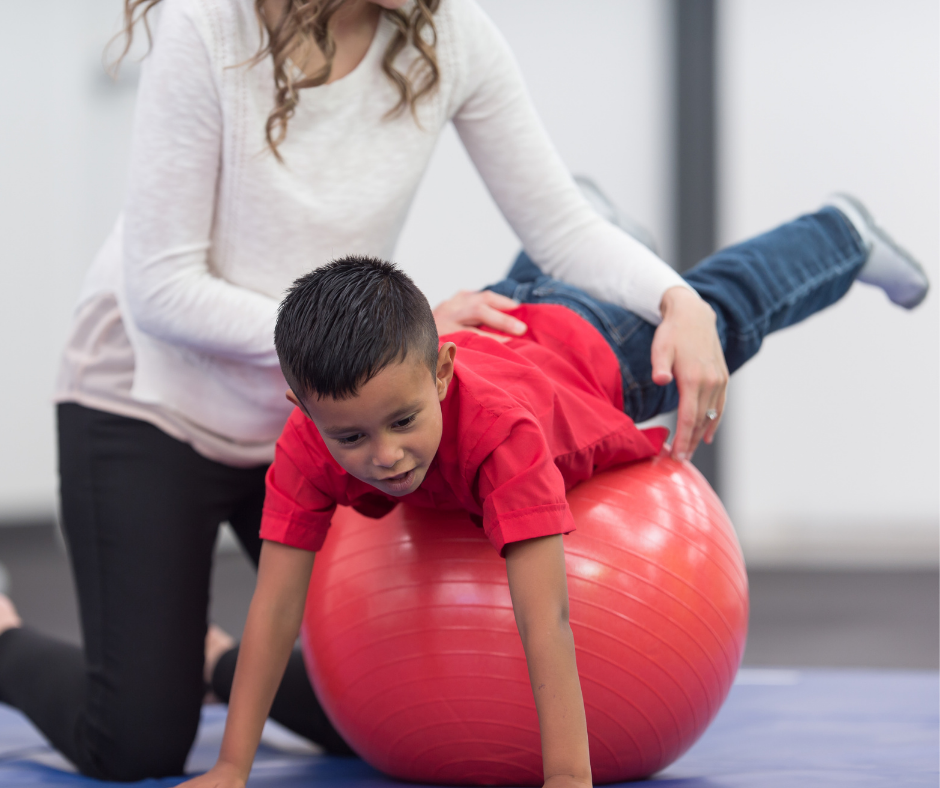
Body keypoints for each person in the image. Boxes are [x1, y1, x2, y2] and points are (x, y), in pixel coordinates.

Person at [0, 0, 751, 780]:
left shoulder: (449, 33)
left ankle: (211, 662)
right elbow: (161, 290)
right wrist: (400, 331)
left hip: (333, 419)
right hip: (149, 400)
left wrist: (677, 300)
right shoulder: (208, 26)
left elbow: (559, 225)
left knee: (382, 708)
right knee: (132, 743)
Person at [179, 202, 927, 788]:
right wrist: (231, 769)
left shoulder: (504, 440)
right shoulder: (308, 443)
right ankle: (582, 229)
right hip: (504, 320)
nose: (386, 456)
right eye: (351, 438)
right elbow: (276, 609)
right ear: (305, 410)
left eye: (404, 422)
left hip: (591, 343)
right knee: (535, 288)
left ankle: (842, 233)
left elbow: (545, 616)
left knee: (723, 310)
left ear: (439, 377)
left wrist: (568, 777)